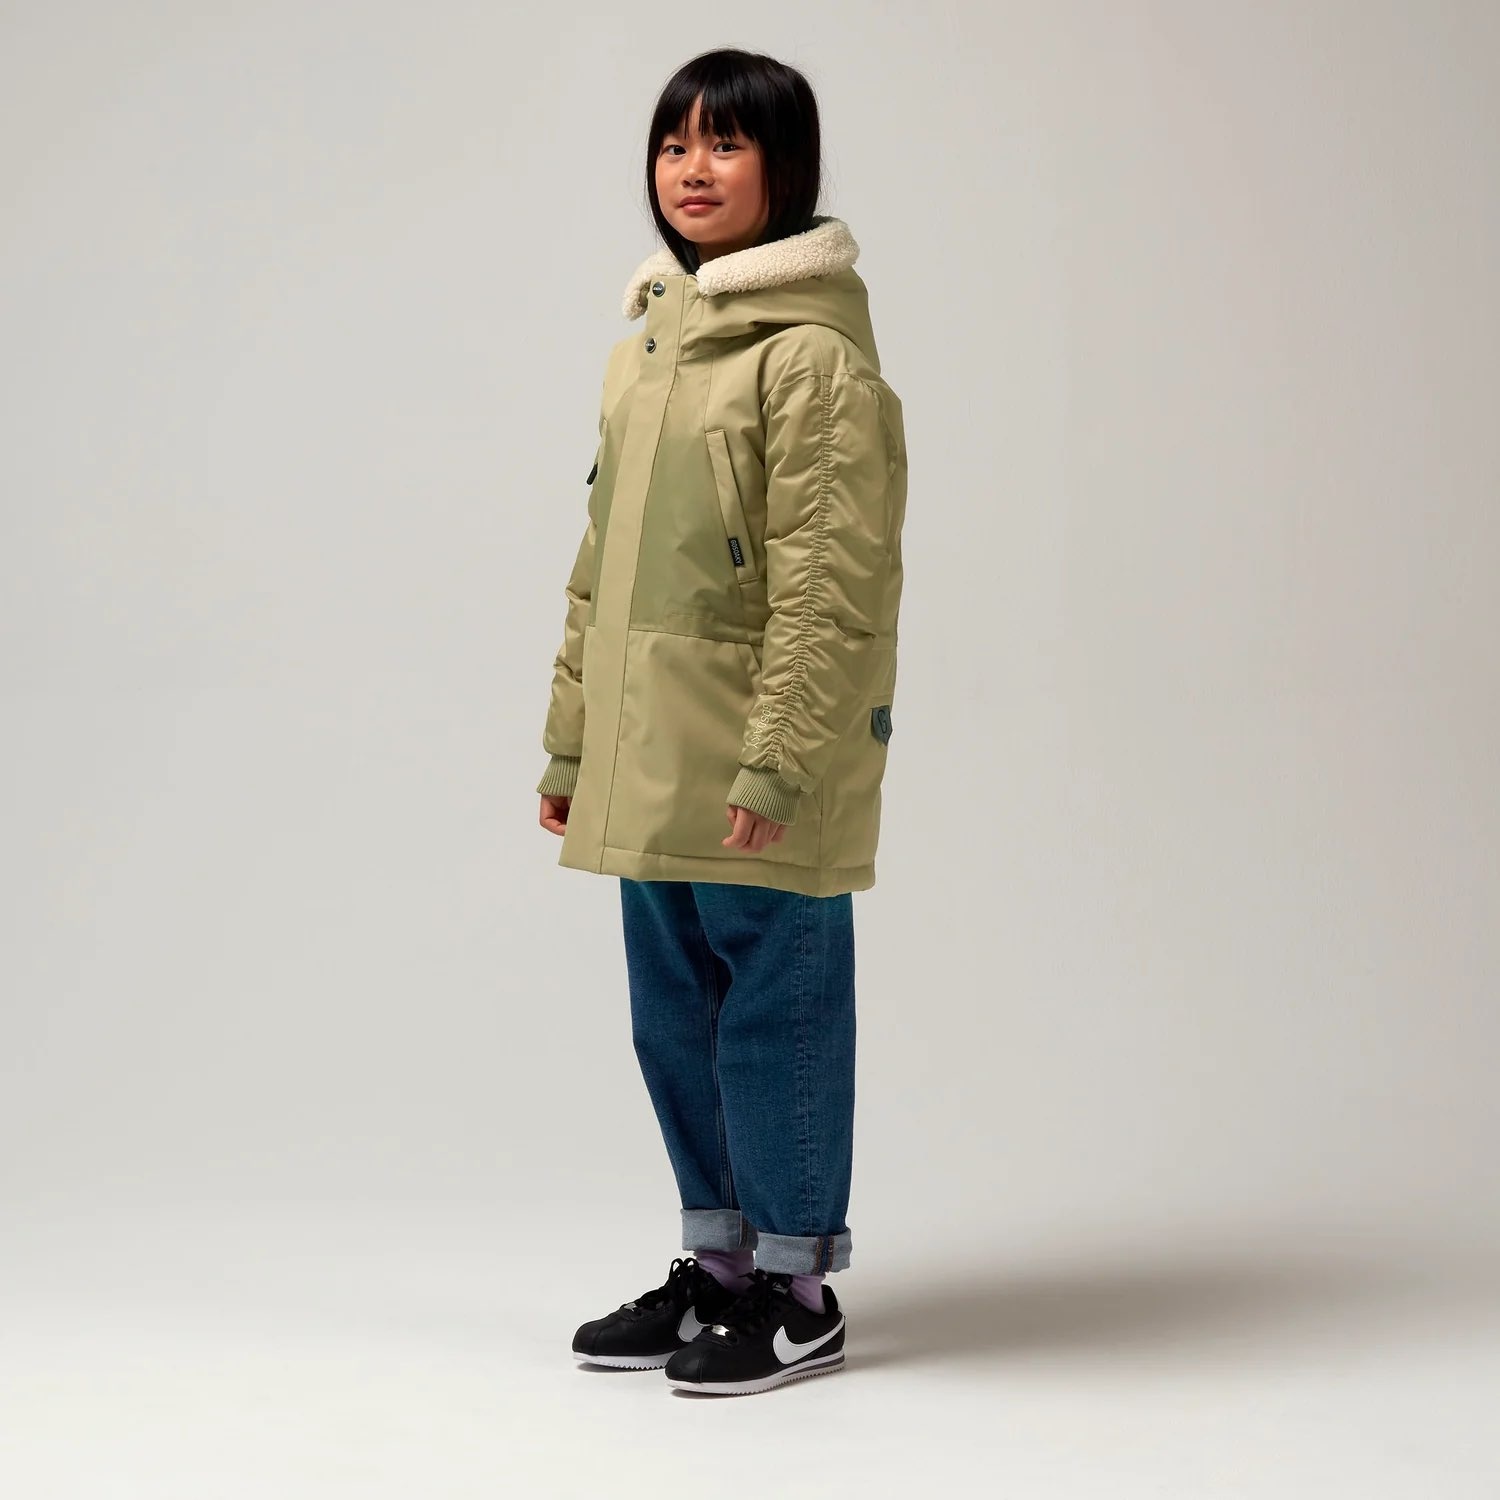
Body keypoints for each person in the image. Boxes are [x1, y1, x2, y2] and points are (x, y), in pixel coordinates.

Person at [535, 47, 908, 1397]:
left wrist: (781, 759)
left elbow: (830, 587)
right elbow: (601, 569)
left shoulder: (809, 361)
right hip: (650, 751)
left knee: (777, 1014)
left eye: (725, 144)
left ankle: (800, 1290)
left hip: (760, 752)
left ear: (784, 169)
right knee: (676, 1015)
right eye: (673, 143)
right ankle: (722, 1269)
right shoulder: (647, 350)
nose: (692, 170)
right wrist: (573, 741)